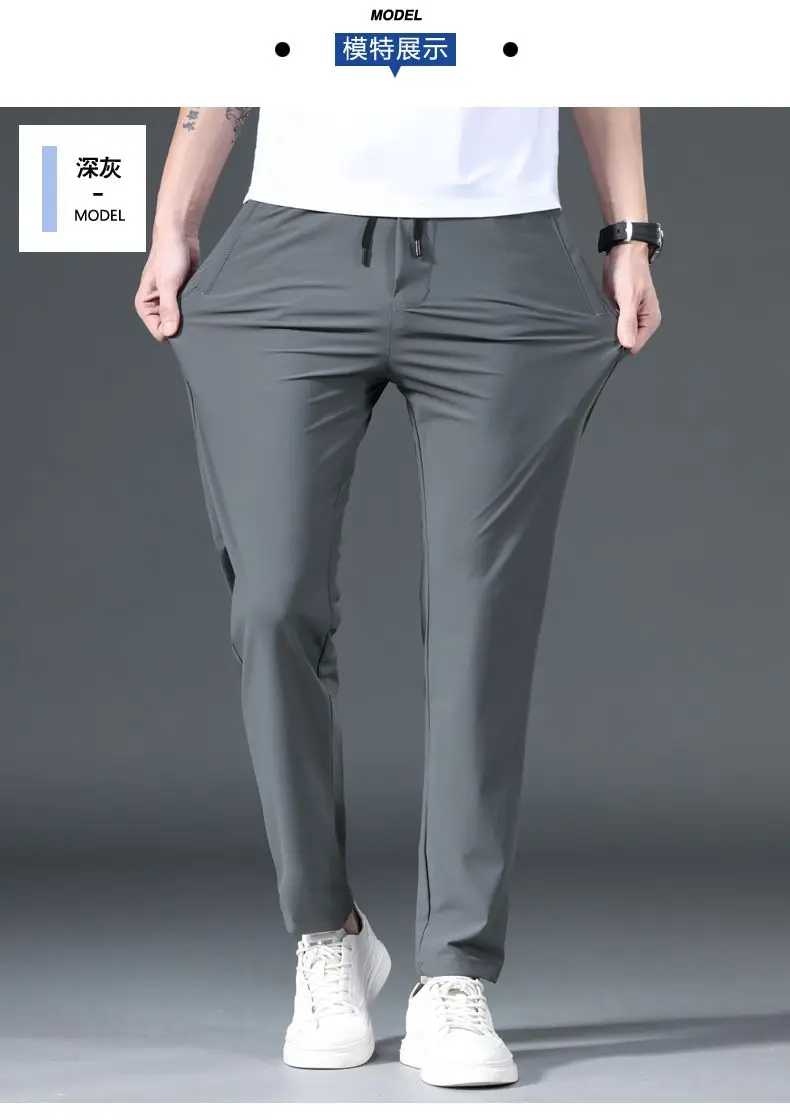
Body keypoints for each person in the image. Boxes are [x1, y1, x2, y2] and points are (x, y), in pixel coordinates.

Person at [135, 105, 662, 1089]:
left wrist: (628, 234)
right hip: (292, 246)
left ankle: (455, 970)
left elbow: (597, 58)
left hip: (499, 251)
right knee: (272, 603)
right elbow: (231, 59)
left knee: (482, 621)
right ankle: (326, 934)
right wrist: (173, 223)